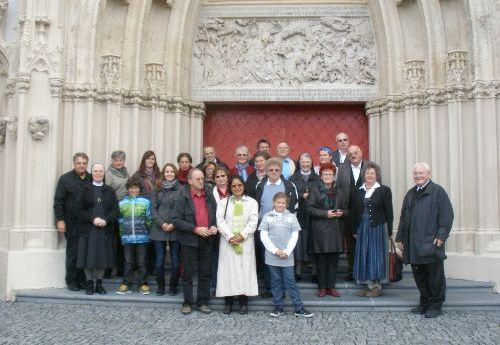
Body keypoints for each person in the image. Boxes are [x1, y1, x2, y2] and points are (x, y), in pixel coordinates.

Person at [396, 163, 453, 318]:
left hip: (431, 243)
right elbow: (404, 217)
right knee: (419, 276)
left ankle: (436, 305)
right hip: (413, 244)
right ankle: (425, 302)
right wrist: (400, 238)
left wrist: (441, 236)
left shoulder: (438, 192)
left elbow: (447, 216)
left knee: (434, 276)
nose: (418, 176)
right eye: (416, 173)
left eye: (421, 173)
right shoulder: (410, 193)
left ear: (428, 174)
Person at [258, 192, 313, 318]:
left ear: (286, 204)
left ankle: (298, 307)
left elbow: (295, 235)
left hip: (287, 256)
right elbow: (263, 236)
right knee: (276, 281)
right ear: (273, 203)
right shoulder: (267, 216)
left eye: (283, 203)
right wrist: (275, 250)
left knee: (290, 281)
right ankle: (278, 307)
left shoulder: (292, 217)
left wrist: (287, 251)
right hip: (272, 256)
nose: (280, 205)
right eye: (278, 202)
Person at [172, 168, 218, 315]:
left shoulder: (209, 195)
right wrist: (195, 229)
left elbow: (217, 215)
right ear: (190, 181)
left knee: (205, 273)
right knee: (188, 273)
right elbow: (176, 220)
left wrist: (214, 226)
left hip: (207, 239)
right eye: (198, 179)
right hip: (189, 240)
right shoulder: (183, 197)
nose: (201, 181)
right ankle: (187, 302)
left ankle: (203, 302)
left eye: (202, 178)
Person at [255, 157, 298, 297]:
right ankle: (269, 289)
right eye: (271, 170)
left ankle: (282, 290)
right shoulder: (260, 185)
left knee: (283, 257)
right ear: (266, 171)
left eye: (277, 170)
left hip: (283, 228)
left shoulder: (289, 185)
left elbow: (294, 206)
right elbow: (256, 205)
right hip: (265, 228)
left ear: (281, 171)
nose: (274, 172)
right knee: (267, 258)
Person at [216, 175, 259, 315]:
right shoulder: (223, 202)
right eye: (234, 186)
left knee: (244, 270)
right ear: (230, 187)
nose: (237, 188)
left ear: (244, 186)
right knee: (228, 271)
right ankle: (228, 302)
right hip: (228, 243)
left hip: (245, 242)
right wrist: (230, 236)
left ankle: (243, 302)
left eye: (239, 185)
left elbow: (253, 221)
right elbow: (220, 221)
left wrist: (242, 236)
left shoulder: (252, 202)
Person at [351, 162, 393, 297]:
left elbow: (389, 212)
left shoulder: (384, 190)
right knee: (365, 255)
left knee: (375, 255)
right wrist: (355, 230)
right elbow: (354, 212)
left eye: (372, 173)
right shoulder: (359, 191)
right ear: (364, 175)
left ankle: (376, 286)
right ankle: (368, 285)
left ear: (377, 175)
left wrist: (390, 232)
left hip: (377, 227)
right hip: (362, 227)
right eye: (367, 173)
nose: (370, 175)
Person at [76, 163, 119, 295]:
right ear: (92, 172)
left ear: (104, 173)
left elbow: (115, 210)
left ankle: (99, 284)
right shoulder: (85, 189)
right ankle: (90, 284)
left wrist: (106, 220)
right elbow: (79, 210)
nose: (98, 173)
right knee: (87, 258)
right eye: (95, 171)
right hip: (88, 229)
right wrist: (92, 219)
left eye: (101, 171)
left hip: (104, 230)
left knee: (102, 258)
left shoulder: (109, 190)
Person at [306, 163, 347, 297]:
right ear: (321, 176)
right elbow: (309, 208)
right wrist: (325, 214)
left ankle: (331, 287)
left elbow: (347, 209)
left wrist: (342, 213)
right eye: (325, 174)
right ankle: (322, 287)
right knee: (321, 262)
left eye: (330, 174)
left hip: (335, 230)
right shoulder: (315, 190)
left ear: (334, 176)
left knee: (333, 262)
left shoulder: (340, 190)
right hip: (320, 231)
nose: (328, 176)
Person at [54, 152, 92, 291]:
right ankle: (71, 280)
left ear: (87, 164)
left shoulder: (92, 178)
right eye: (79, 163)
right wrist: (60, 220)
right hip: (71, 222)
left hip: (88, 223)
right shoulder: (65, 179)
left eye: (84, 163)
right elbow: (58, 201)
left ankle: (82, 280)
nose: (81, 165)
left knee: (85, 253)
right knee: (73, 252)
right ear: (74, 164)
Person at [116, 177, 153, 295]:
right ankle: (126, 283)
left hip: (142, 237)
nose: (133, 190)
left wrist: (148, 232)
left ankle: (143, 284)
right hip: (127, 238)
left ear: (139, 189)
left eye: (135, 188)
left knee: (141, 261)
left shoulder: (145, 202)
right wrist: (122, 235)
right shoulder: (122, 203)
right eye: (131, 188)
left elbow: (149, 219)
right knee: (128, 261)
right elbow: (120, 220)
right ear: (128, 189)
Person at [336, 145, 367, 282]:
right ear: (347, 156)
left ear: (361, 153)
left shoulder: (370, 167)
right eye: (350, 154)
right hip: (348, 211)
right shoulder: (342, 169)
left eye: (356, 152)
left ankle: (365, 271)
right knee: (350, 242)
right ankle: (352, 270)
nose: (353, 155)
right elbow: (338, 189)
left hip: (366, 211)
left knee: (366, 241)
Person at [151, 163, 182, 296]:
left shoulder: (181, 189)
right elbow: (153, 209)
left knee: (175, 261)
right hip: (159, 229)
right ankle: (161, 286)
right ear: (163, 174)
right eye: (167, 172)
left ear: (175, 173)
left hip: (175, 229)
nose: (169, 174)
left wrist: (173, 224)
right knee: (159, 261)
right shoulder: (156, 189)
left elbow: (182, 209)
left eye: (171, 172)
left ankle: (173, 287)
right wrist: (161, 223)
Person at [289, 152, 321, 281]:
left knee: (312, 242)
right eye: (303, 161)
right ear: (299, 163)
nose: (306, 164)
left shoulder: (317, 178)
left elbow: (321, 195)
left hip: (313, 216)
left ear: (311, 163)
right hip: (298, 215)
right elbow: (289, 197)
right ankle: (298, 271)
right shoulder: (292, 178)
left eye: (308, 162)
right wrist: (301, 196)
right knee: (299, 243)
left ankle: (314, 271)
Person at [105, 150, 129, 278]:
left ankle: (120, 269)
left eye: (121, 160)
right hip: (112, 210)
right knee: (111, 242)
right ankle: (108, 270)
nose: (118, 162)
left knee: (121, 241)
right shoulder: (108, 174)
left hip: (124, 211)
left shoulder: (126, 172)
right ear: (112, 161)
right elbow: (106, 192)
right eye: (116, 160)